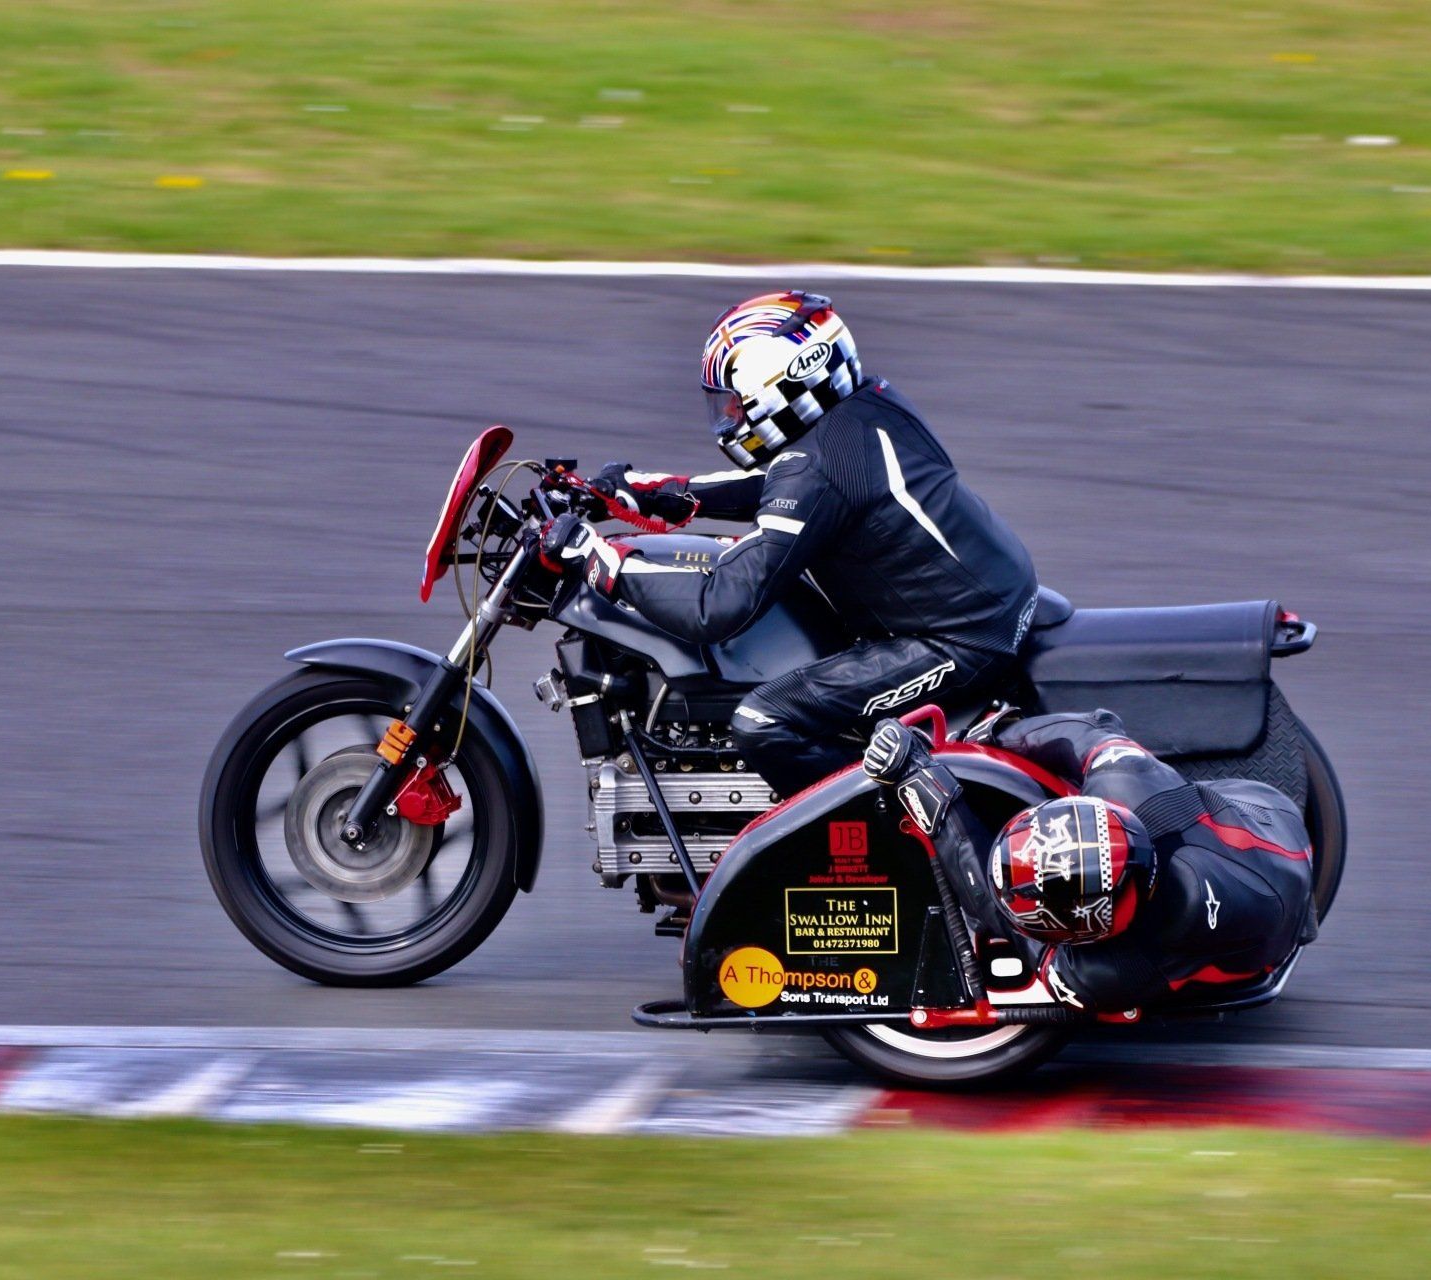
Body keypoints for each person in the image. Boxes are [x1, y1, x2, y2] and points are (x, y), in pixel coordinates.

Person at [539, 290, 1039, 796]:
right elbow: (782, 487)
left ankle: (898, 818)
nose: (728, 415)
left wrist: (597, 557)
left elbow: (716, 607)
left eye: (734, 401)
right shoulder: (867, 406)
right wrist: (650, 491)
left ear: (780, 387)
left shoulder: (815, 469)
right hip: (991, 603)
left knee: (763, 719)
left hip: (960, 641)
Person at [860, 710, 1316, 1013]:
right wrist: (989, 736)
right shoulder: (1126, 781)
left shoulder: (1105, 974)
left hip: (1269, 945)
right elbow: (1090, 729)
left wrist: (922, 784)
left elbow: (1000, 918)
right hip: (1272, 817)